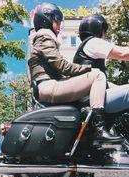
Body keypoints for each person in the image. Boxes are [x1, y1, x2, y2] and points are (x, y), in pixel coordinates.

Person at [28, 3, 121, 143]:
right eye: (56, 19)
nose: (59, 24)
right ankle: (99, 129)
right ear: (46, 19)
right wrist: (87, 68)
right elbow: (62, 66)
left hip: (48, 86)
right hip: (47, 86)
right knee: (97, 75)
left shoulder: (43, 39)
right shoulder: (44, 37)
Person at [73, 14, 129, 114]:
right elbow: (123, 53)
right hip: (94, 100)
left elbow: (104, 84)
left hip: (88, 98)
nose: (105, 35)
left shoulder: (86, 46)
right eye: (104, 31)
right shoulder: (93, 42)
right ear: (97, 29)